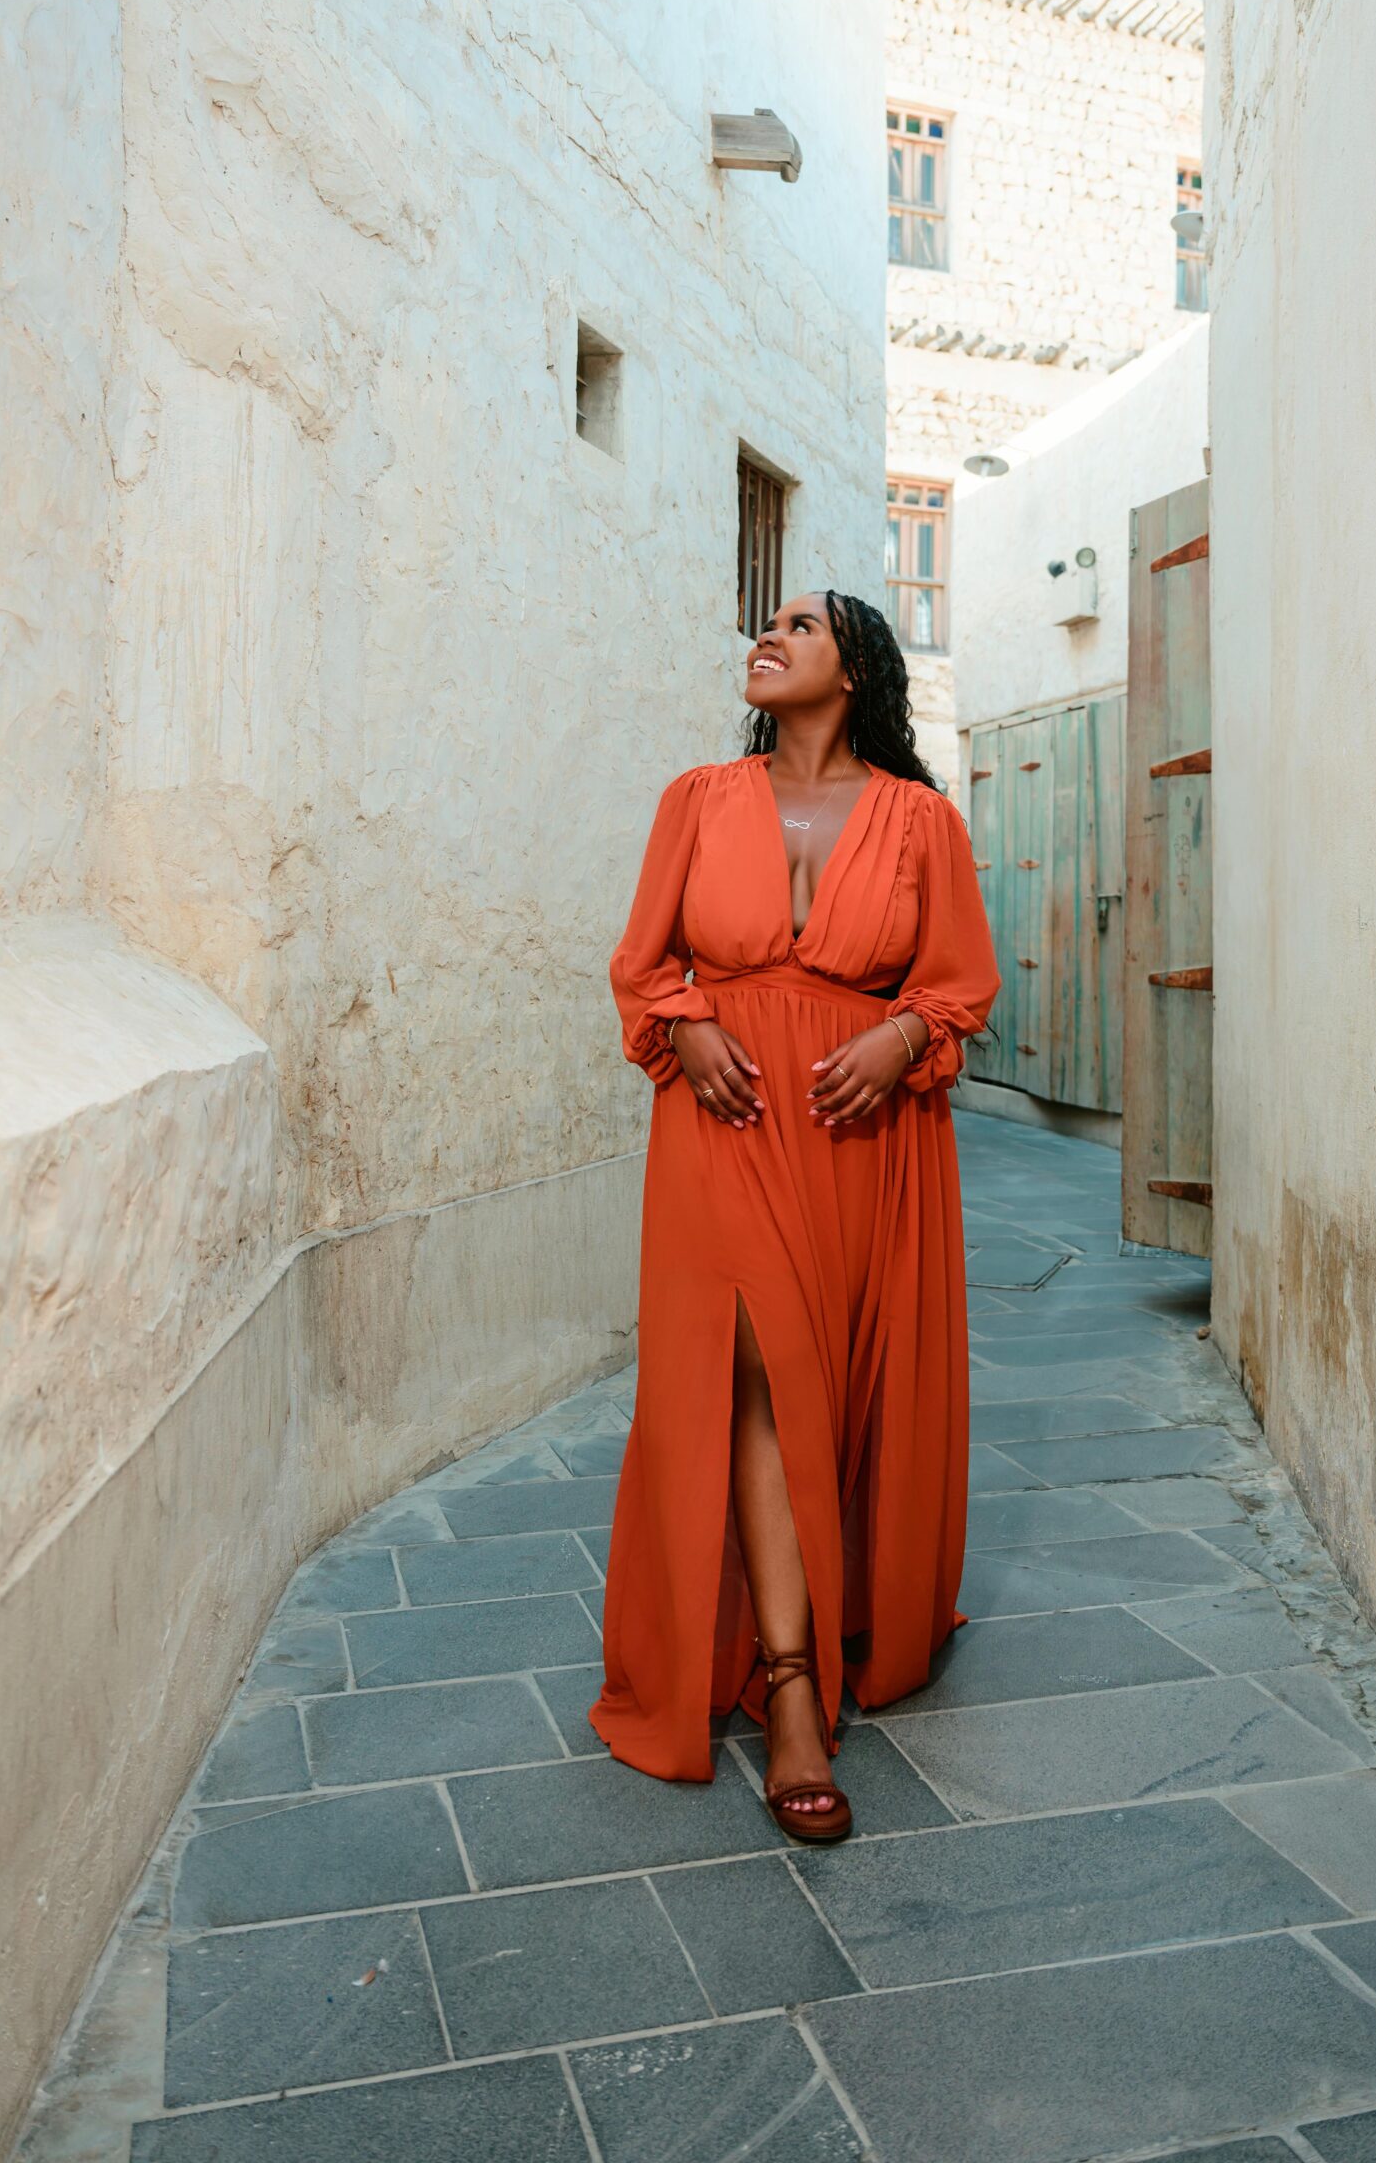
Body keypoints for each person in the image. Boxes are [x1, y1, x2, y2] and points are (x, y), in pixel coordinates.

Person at [590, 589, 1000, 1843]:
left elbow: (960, 982)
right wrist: (692, 1022)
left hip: (862, 1137)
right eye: (764, 625)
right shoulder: (696, 799)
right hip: (724, 1121)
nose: (767, 638)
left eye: (801, 626)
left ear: (857, 668)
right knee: (756, 1374)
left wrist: (897, 1035)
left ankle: (831, 1604)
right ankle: (793, 1692)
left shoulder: (924, 822)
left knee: (834, 1382)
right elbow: (642, 958)